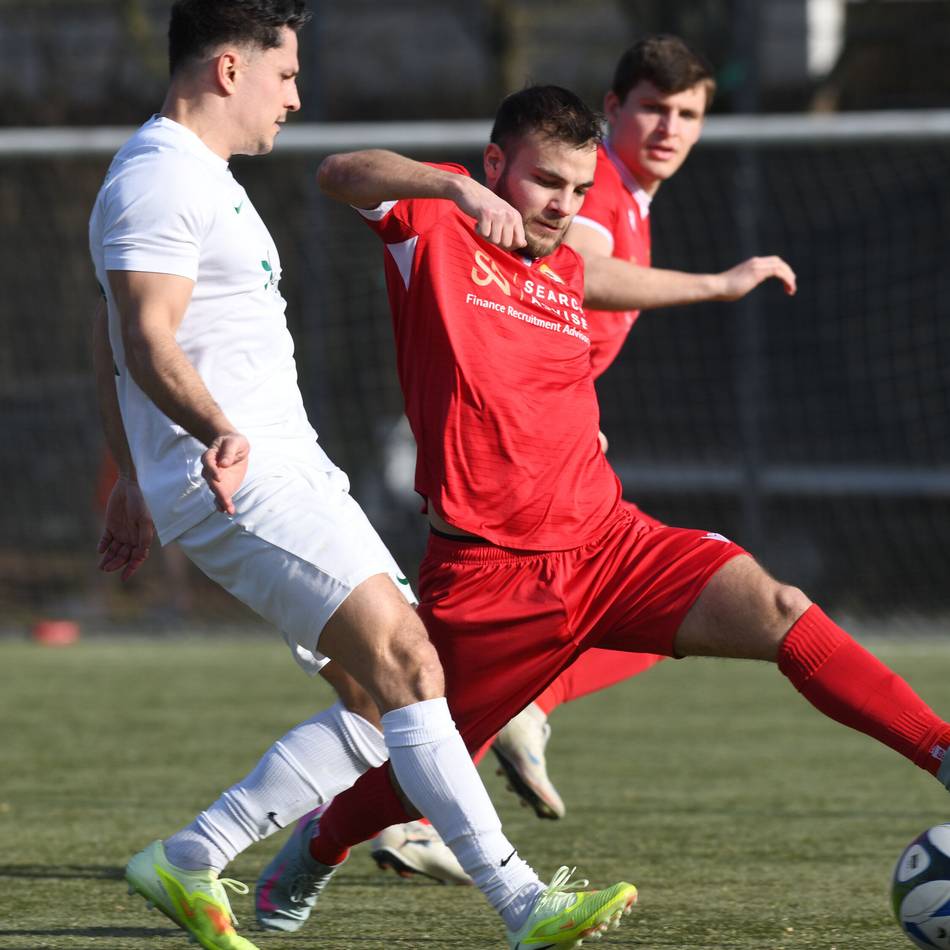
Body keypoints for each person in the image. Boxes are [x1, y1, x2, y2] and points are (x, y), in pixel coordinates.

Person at [250, 82, 950, 943]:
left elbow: (607, 278)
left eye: (580, 191)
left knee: (780, 609)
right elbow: (338, 172)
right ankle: (316, 847)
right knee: (417, 774)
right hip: (489, 574)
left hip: (611, 544)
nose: (563, 207)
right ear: (497, 164)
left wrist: (720, 284)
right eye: (546, 183)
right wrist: (454, 188)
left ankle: (942, 750)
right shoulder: (434, 224)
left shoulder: (565, 265)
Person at [88, 3, 634, 948]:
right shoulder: (156, 177)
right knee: (414, 666)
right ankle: (522, 903)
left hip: (274, 469)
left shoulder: (202, 179)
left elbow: (111, 345)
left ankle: (189, 858)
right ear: (229, 69)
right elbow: (143, 340)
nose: (296, 98)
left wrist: (134, 477)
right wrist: (210, 433)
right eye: (287, 74)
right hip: (240, 481)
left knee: (382, 706)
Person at [490, 33, 800, 823]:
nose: (669, 127)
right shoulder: (597, 193)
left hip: (537, 443)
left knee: (630, 613)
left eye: (687, 113)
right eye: (653, 108)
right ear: (612, 110)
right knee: (657, 602)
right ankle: (390, 809)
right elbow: (578, 273)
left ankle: (429, 790)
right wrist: (717, 284)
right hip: (512, 450)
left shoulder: (632, 200)